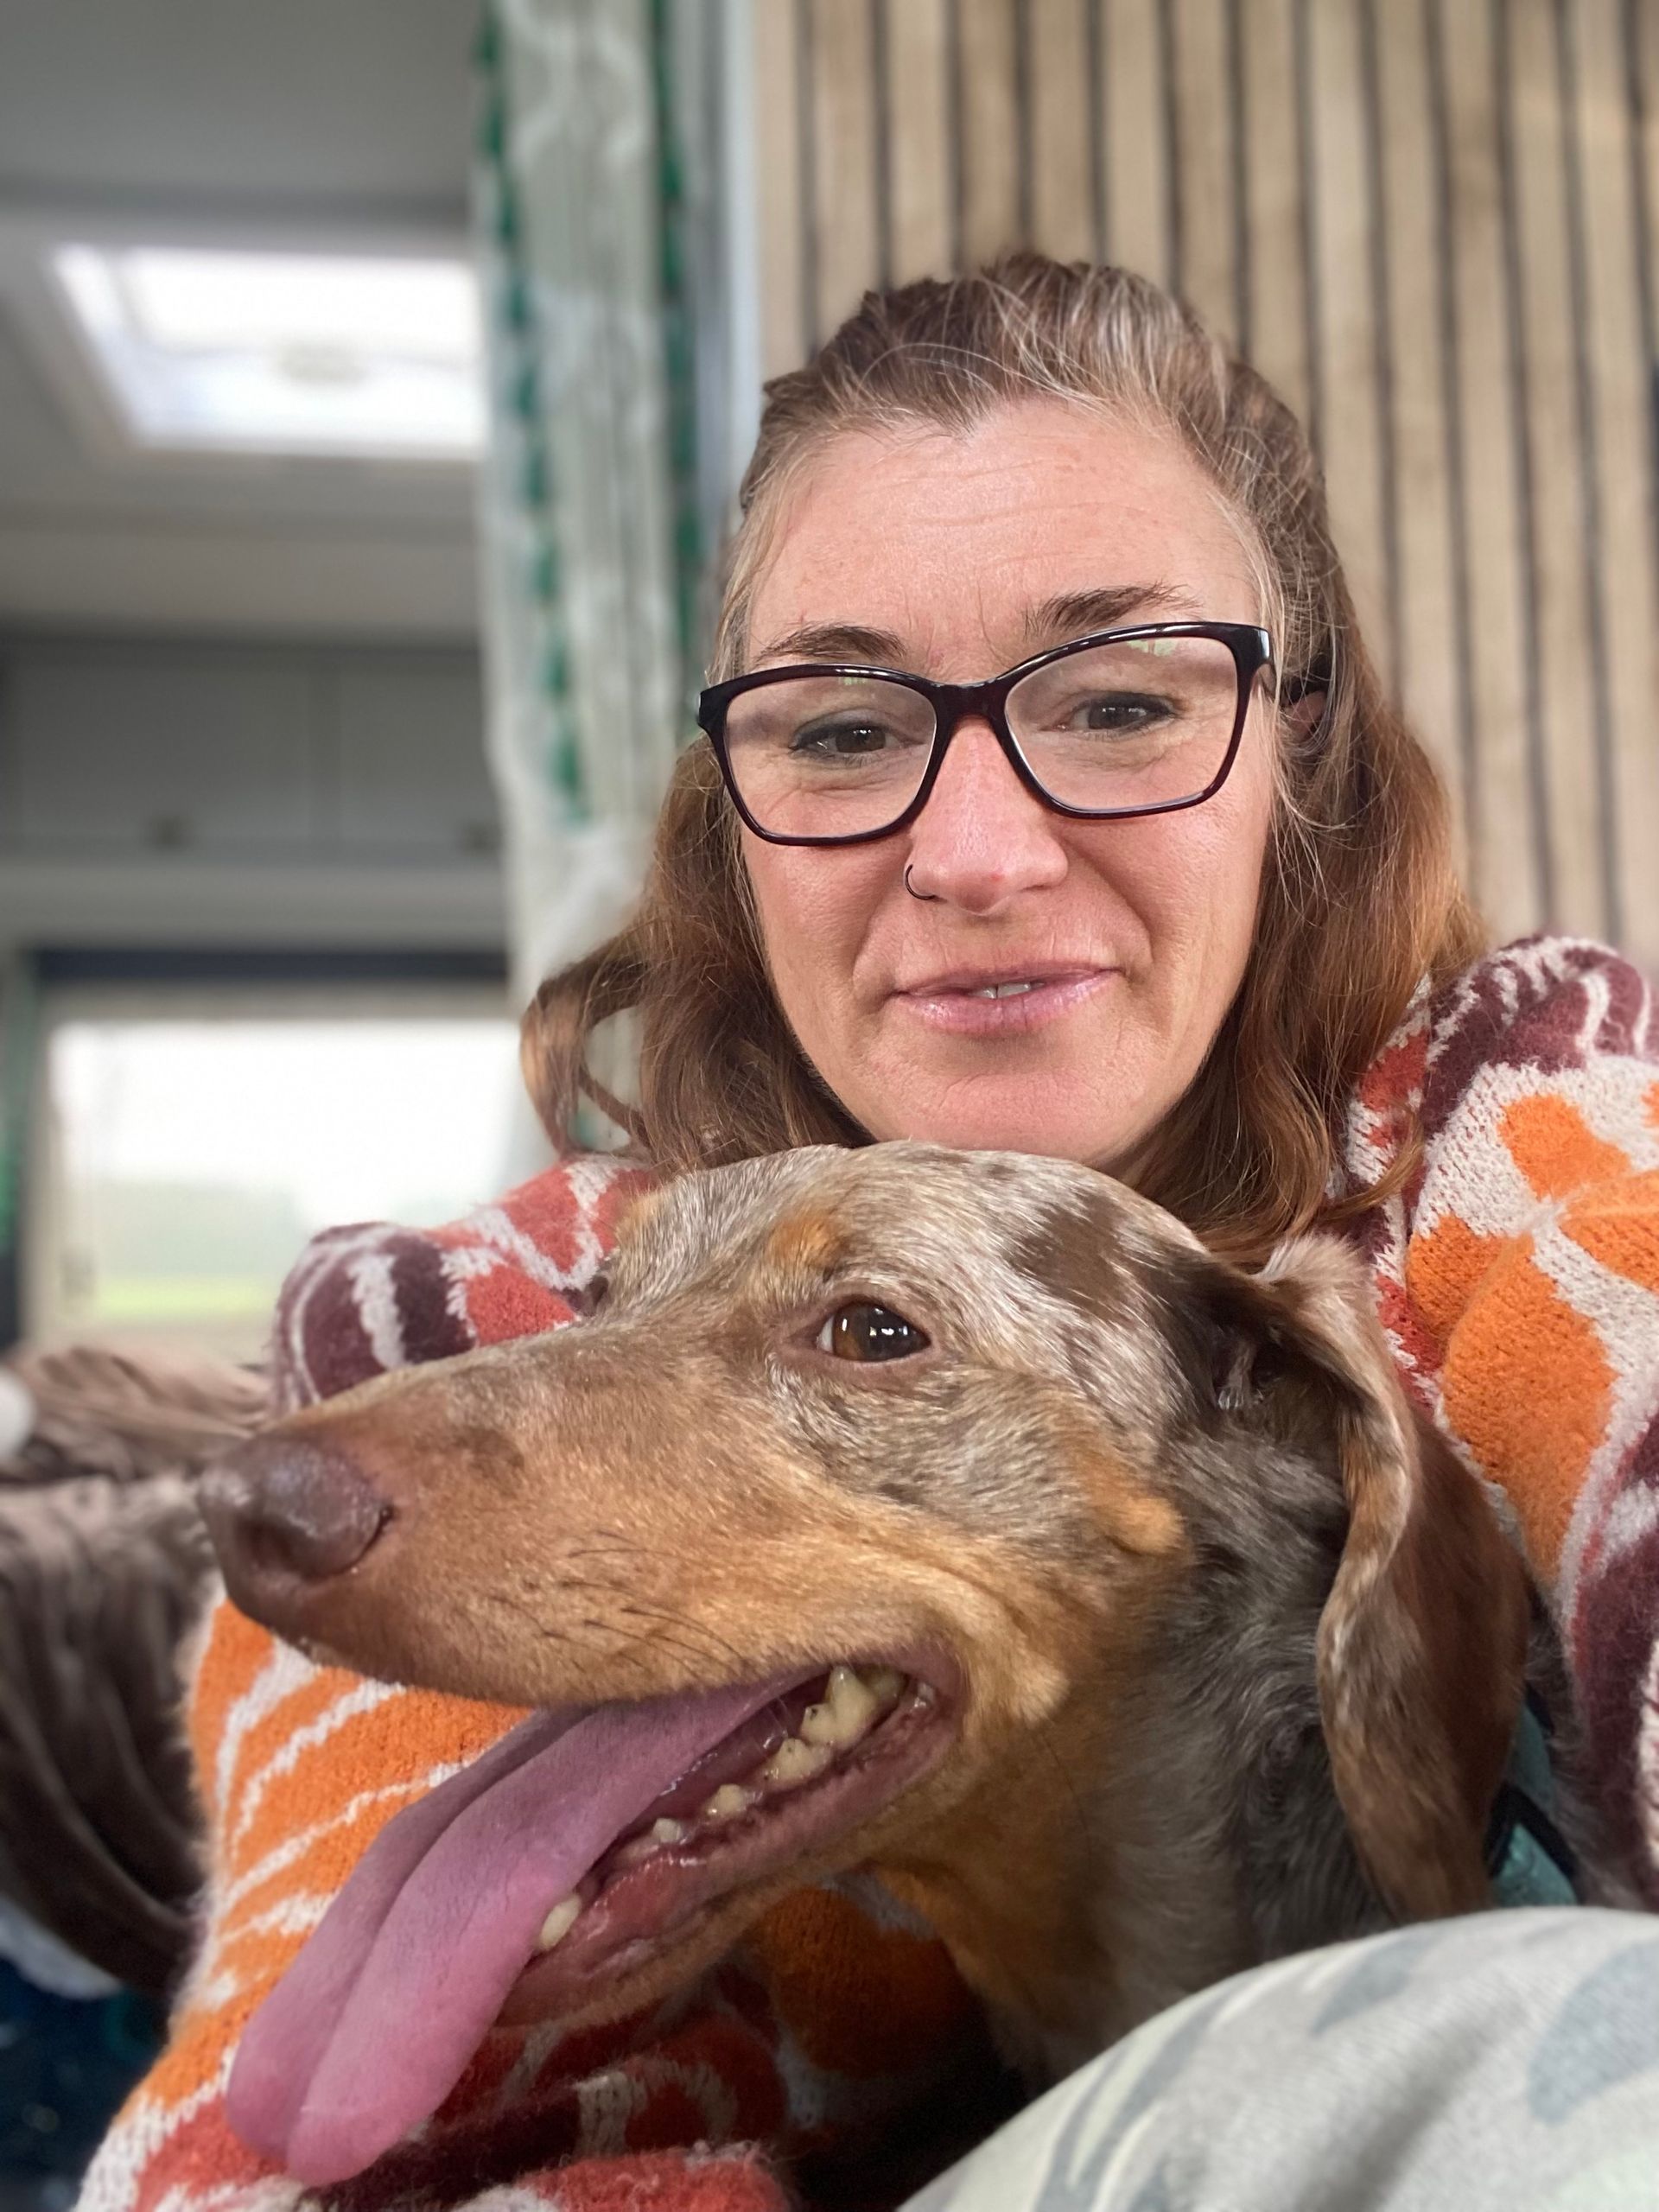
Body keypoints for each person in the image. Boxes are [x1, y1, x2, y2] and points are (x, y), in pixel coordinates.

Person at [82, 256, 1659, 2212]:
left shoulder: (1546, 1153)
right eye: (838, 730)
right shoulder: (477, 1312)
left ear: (1296, 761)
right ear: (734, 805)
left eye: (1120, 701)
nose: (978, 856)